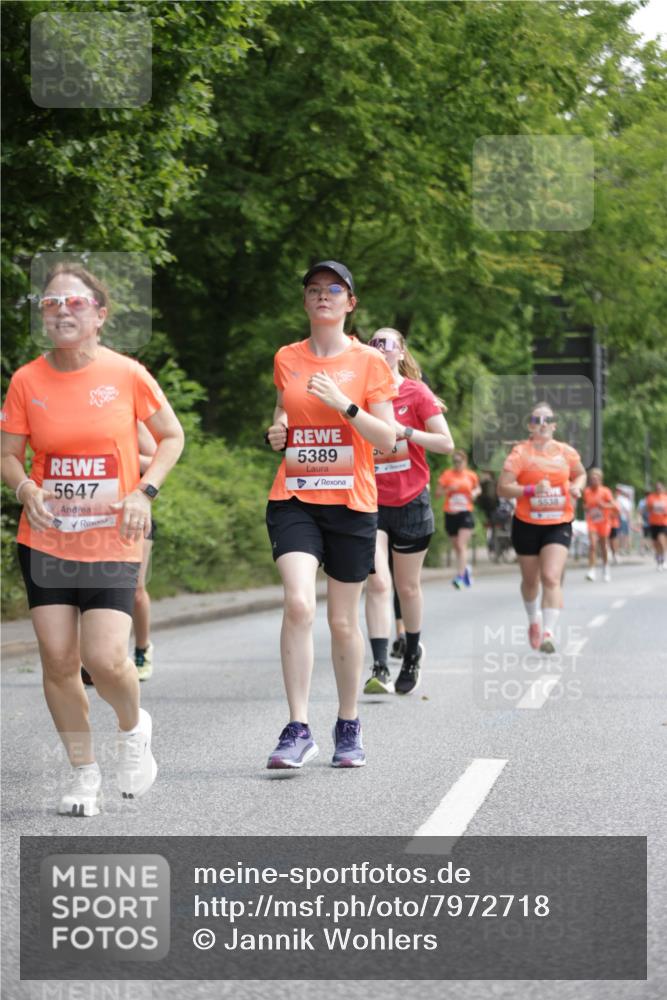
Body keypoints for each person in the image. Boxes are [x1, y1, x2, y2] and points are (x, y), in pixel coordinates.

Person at [0, 264, 184, 816]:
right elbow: (7, 452)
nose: (61, 311)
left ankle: (133, 728)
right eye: (52, 303)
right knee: (58, 661)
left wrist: (143, 492)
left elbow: (172, 436)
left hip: (113, 537)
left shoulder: (127, 374)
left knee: (104, 657)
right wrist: (26, 484)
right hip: (48, 538)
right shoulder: (27, 380)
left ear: (100, 315)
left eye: (75, 303)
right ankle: (83, 774)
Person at [264, 261, 396, 769]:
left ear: (350, 303)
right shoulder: (287, 357)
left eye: (334, 290)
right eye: (314, 290)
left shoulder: (369, 363)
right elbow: (284, 410)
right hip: (294, 496)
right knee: (298, 604)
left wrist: (345, 404)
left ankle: (348, 723)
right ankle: (297, 728)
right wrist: (277, 429)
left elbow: (386, 439)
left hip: (352, 503)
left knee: (342, 621)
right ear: (305, 302)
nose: (323, 296)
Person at [363, 328, 453, 695]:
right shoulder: (359, 395)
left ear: (401, 353)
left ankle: (413, 653)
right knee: (377, 581)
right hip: (369, 500)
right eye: (375, 343)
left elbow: (446, 443)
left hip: (412, 499)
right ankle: (380, 665)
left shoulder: (416, 392)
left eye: (389, 343)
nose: (381, 348)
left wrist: (406, 431)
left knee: (408, 586)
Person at [497, 402, 586, 654]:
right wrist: (530, 490)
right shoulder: (520, 453)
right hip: (526, 523)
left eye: (547, 420)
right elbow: (503, 488)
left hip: (558, 523)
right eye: (537, 419)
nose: (542, 423)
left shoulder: (566, 452)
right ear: (530, 425)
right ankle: (533, 620)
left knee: (550, 576)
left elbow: (580, 474)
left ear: (555, 425)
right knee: (530, 581)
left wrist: (577, 486)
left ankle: (548, 632)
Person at [436, 450, 480, 588]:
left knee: (461, 545)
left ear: (465, 462)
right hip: (450, 513)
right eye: (454, 461)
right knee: (456, 546)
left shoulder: (471, 475)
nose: (457, 464)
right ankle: (465, 569)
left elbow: (478, 489)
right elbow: (437, 494)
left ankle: (460, 577)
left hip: (465, 512)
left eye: (459, 461)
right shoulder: (447, 475)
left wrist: (474, 493)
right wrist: (448, 489)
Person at [583, 468, 617, 582]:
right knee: (592, 545)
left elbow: (613, 505)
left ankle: (605, 567)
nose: (594, 481)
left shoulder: (605, 491)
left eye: (596, 479)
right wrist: (586, 508)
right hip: (592, 521)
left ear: (600, 480)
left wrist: (604, 505)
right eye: (592, 479)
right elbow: (586, 506)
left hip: (604, 522)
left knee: (603, 546)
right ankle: (591, 570)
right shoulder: (587, 491)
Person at [645, 480, 667, 571]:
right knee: (656, 544)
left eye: (660, 487)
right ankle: (659, 560)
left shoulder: (665, 497)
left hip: (663, 523)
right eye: (657, 487)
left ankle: (664, 559)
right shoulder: (651, 497)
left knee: (661, 541)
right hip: (653, 523)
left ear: (662, 488)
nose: (658, 489)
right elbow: (648, 509)